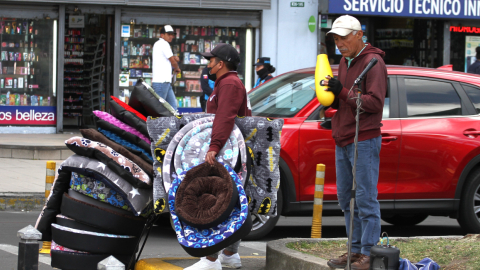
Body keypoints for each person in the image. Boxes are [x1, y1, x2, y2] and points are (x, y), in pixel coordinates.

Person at [322, 15, 387, 270]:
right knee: (345, 199)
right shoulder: (344, 61)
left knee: (365, 199)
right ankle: (355, 250)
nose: (339, 43)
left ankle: (368, 253)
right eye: (335, 38)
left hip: (365, 138)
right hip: (344, 136)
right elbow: (348, 99)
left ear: (359, 35)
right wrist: (331, 99)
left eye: (343, 37)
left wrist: (342, 93)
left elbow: (374, 103)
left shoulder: (374, 62)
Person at [184, 43, 251, 270]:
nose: (207, 63)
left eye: (210, 60)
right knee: (231, 203)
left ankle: (211, 260)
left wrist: (214, 146)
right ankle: (230, 255)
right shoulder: (225, 82)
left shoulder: (230, 83)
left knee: (219, 202)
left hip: (226, 151)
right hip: (228, 149)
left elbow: (225, 117)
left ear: (221, 63)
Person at [152, 25, 181, 111]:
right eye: (168, 34)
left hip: (164, 82)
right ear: (162, 35)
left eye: (172, 34)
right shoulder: (164, 44)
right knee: (160, 110)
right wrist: (177, 68)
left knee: (172, 109)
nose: (171, 36)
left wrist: (174, 58)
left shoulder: (158, 44)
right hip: (162, 82)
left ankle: (174, 124)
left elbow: (169, 58)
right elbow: (172, 61)